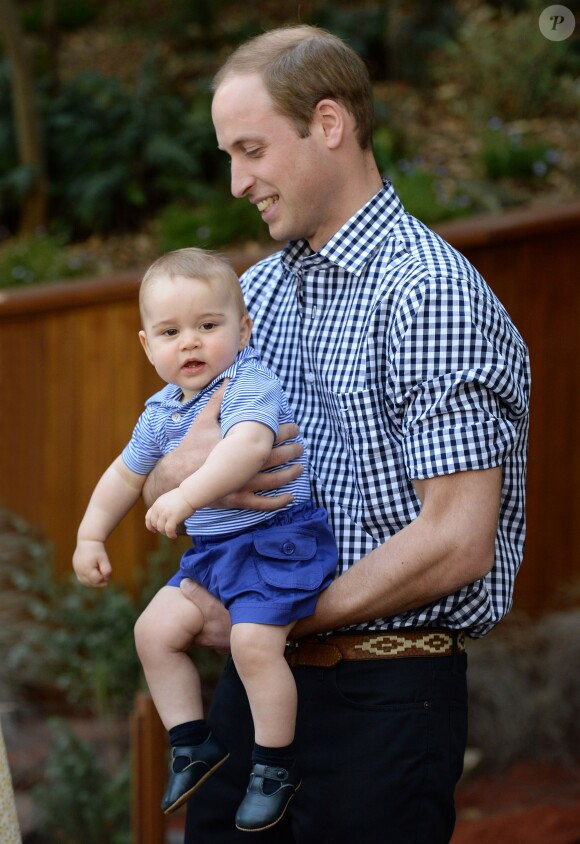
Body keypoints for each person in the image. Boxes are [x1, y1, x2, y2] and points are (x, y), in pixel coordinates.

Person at [143, 25, 531, 844]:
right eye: (228, 155)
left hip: (386, 702)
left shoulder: (430, 295)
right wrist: (182, 469)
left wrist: (285, 614)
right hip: (252, 690)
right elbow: (158, 474)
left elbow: (459, 540)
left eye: (252, 149)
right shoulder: (251, 298)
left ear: (328, 124)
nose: (239, 181)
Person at [72, 248, 337, 831]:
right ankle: (192, 744)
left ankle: (274, 764)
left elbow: (245, 447)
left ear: (242, 330)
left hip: (275, 542)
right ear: (147, 346)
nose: (189, 343)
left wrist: (186, 496)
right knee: (153, 631)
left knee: (252, 646)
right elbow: (124, 474)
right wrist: (91, 535)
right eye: (171, 332)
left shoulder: (249, 382)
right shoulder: (161, 410)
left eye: (207, 326)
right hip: (214, 556)